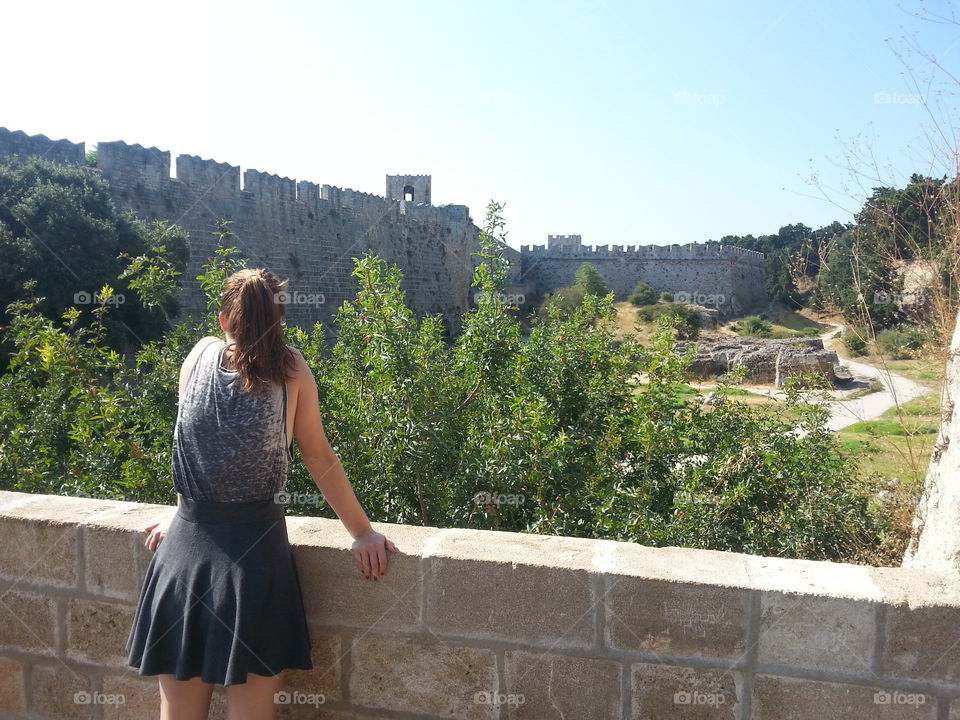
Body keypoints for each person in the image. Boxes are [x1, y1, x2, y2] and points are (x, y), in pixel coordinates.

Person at [126, 268, 397, 720]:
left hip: (182, 555)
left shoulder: (196, 357)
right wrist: (362, 532)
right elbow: (318, 458)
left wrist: (183, 514)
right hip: (255, 562)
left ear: (224, 321)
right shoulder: (291, 369)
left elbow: (191, 441)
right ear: (280, 318)